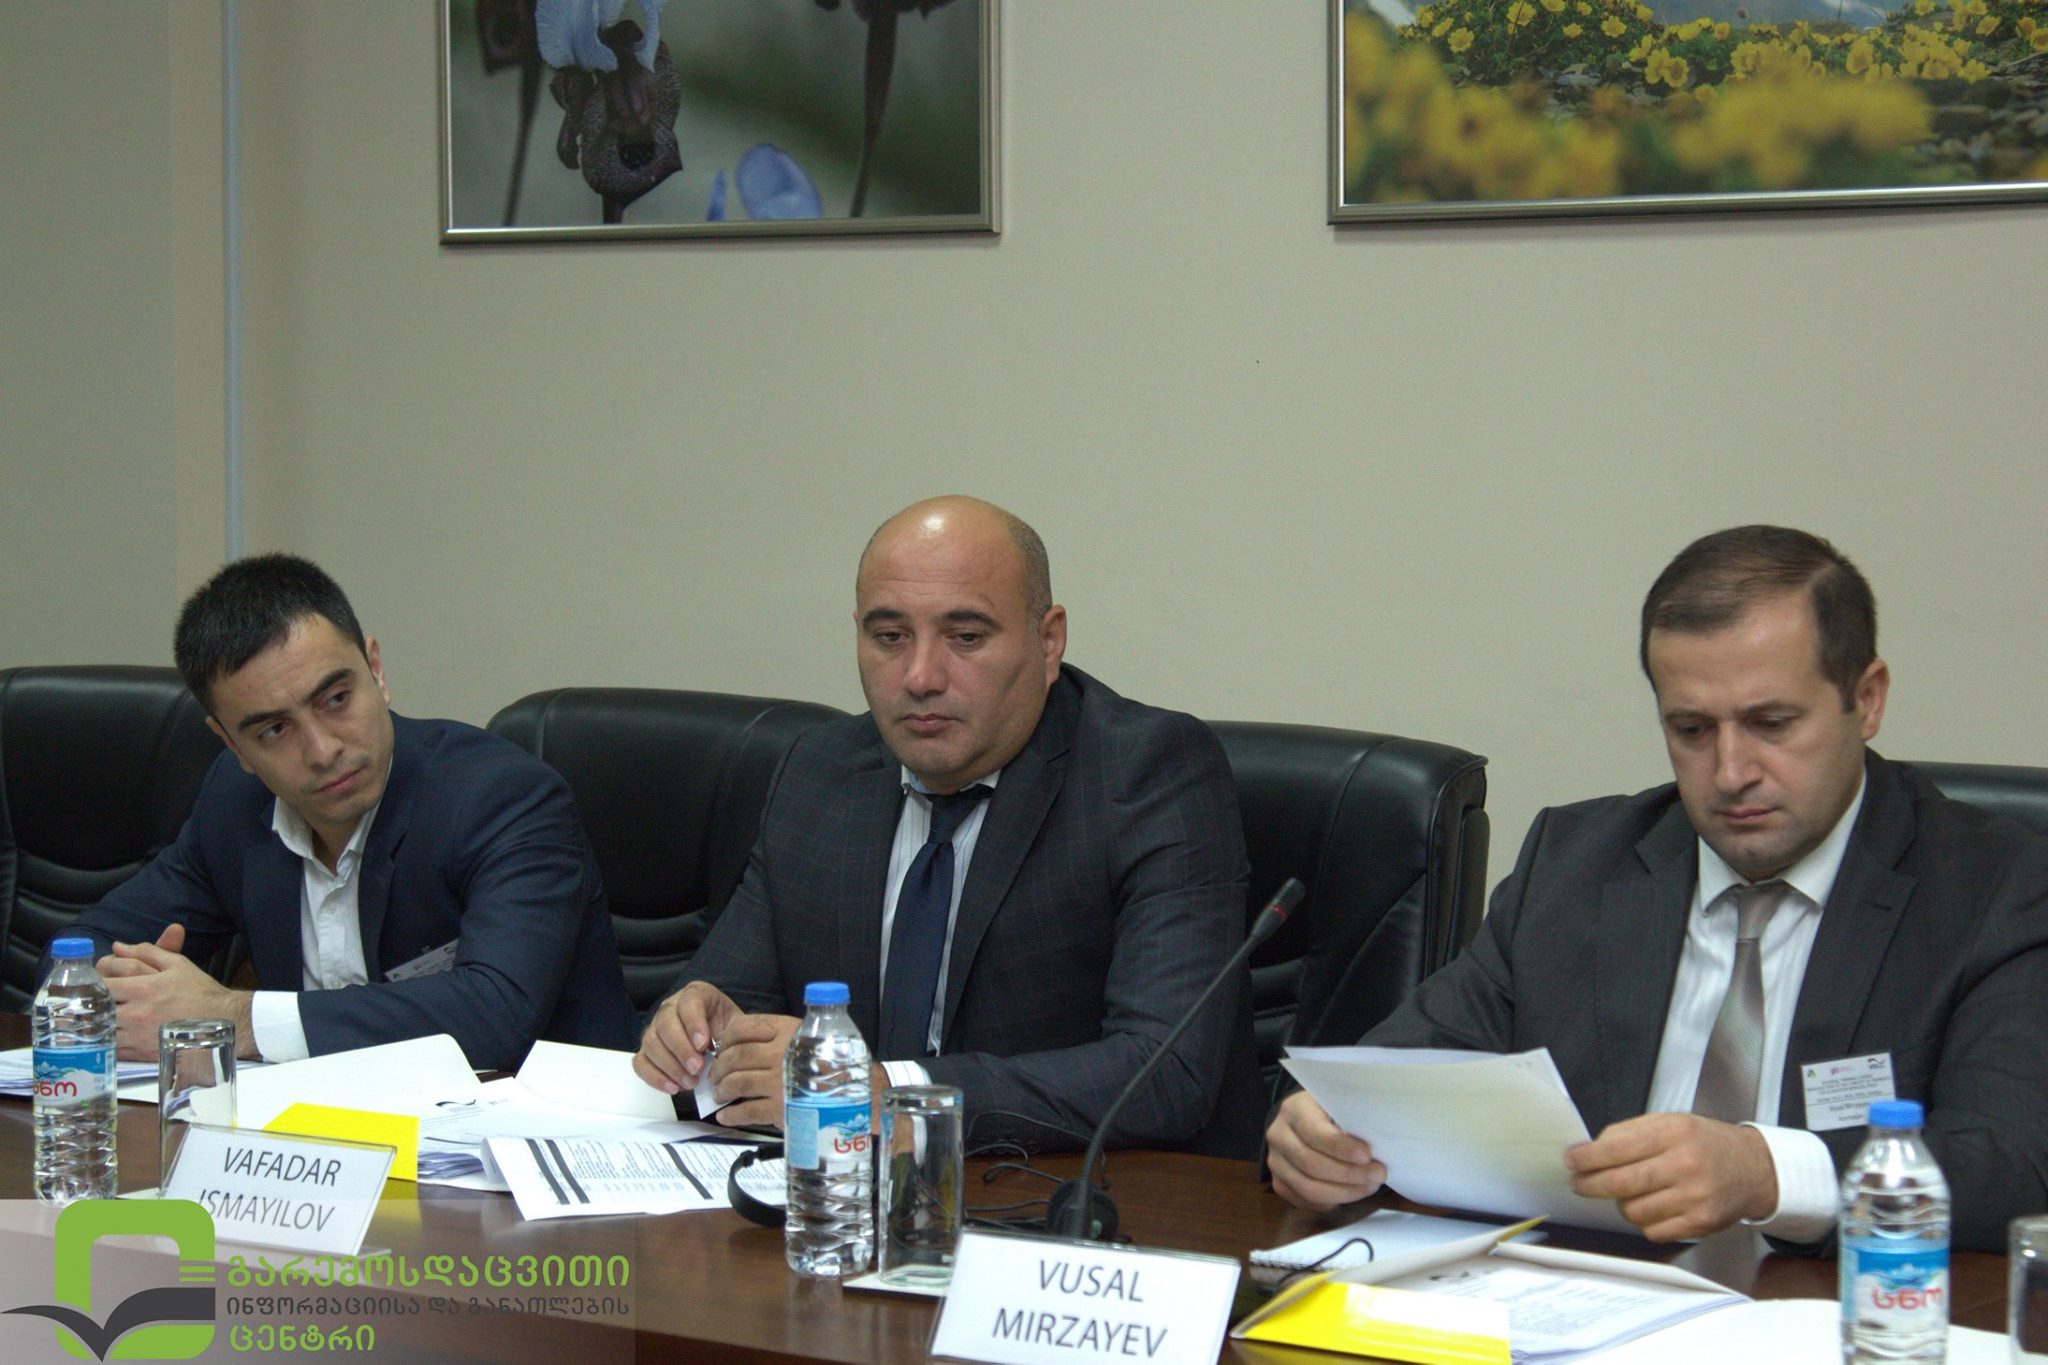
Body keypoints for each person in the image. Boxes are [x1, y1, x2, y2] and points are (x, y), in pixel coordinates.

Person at [1266, 526, 2048, 1252]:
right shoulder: (1576, 864)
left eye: (1772, 722)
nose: (1732, 771)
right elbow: (1401, 1072)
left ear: (1867, 698)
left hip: (1839, 1313)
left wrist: (1766, 1171)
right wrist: (1322, 1133)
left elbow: (2012, 1167)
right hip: (1583, 1304)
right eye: (1692, 729)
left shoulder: (1995, 887)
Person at [633, 495, 1263, 1156]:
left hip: (1087, 1194)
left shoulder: (1148, 773)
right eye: (889, 636)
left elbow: (1164, 1071)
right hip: (848, 1190)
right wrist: (695, 1029)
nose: (920, 676)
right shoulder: (821, 772)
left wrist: (895, 1095)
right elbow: (730, 993)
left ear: (1048, 640)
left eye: (965, 637)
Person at [55, 554, 639, 1069]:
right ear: (233, 746)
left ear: (376, 672)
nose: (322, 749)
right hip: (325, 1138)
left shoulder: (502, 797)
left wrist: (234, 1016)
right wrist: (129, 995)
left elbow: (495, 1014)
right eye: (274, 730)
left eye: (336, 699)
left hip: (537, 1134)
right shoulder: (235, 806)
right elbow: (82, 948)